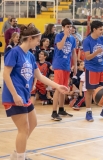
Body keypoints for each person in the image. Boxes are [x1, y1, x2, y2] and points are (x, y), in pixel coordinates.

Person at [2, 25, 68, 160]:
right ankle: (20, 157)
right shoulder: (14, 52)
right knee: (24, 127)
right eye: (37, 40)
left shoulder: (31, 56)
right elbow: (6, 75)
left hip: (24, 95)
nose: (39, 43)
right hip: (14, 96)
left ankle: (16, 154)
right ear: (30, 38)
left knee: (33, 123)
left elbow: (40, 76)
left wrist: (58, 86)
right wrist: (15, 94)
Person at [83, 20, 103, 122]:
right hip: (91, 68)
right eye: (100, 29)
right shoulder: (87, 41)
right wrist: (96, 52)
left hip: (102, 67)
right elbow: (87, 57)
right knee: (90, 91)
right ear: (94, 29)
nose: (102, 31)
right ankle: (88, 112)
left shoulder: (102, 39)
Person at [52, 18, 77, 121]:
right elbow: (59, 46)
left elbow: (74, 53)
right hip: (58, 65)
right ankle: (54, 112)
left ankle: (61, 109)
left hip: (67, 66)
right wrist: (65, 35)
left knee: (64, 89)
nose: (69, 28)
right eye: (67, 26)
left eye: (70, 26)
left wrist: (75, 65)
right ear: (63, 27)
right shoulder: (59, 36)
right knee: (58, 88)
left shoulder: (73, 39)